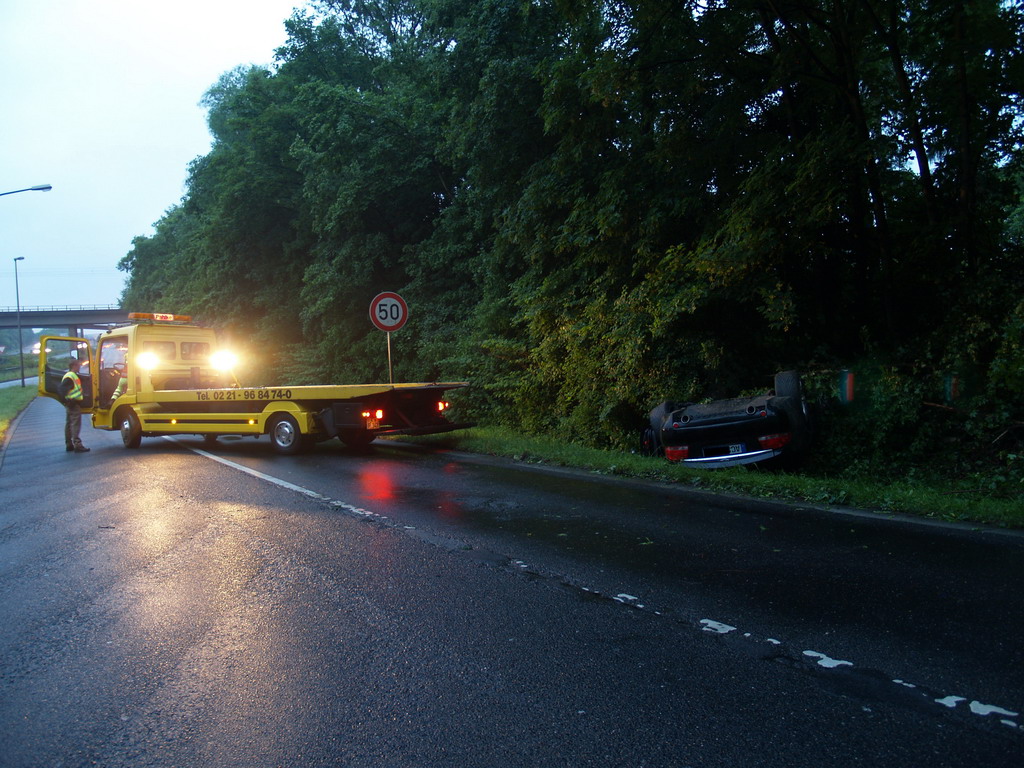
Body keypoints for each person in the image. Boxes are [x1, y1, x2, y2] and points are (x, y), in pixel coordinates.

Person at [61, 359, 90, 453]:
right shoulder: (70, 377)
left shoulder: (71, 375)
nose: (80, 367)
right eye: (78, 365)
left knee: (69, 424)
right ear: (74, 366)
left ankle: (69, 444)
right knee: (75, 424)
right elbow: (61, 389)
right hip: (73, 404)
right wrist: (68, 400)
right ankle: (77, 444)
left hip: (70, 404)